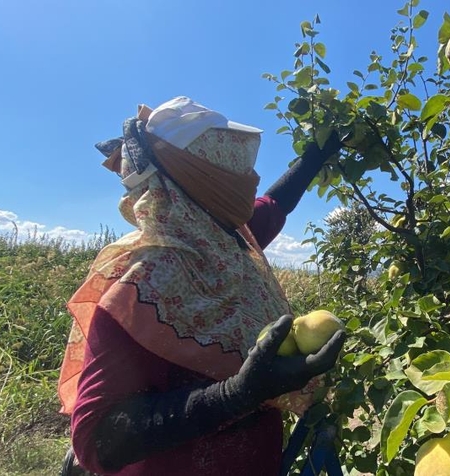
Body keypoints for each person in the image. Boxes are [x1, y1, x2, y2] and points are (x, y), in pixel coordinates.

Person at [56, 97, 346, 475]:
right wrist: (235, 395)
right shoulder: (141, 285)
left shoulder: (224, 239)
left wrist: (313, 158)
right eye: (234, 165)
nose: (248, 177)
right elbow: (98, 440)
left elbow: (275, 203)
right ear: (203, 177)